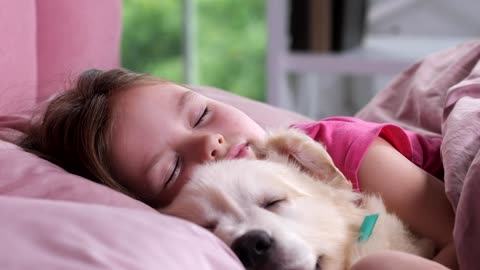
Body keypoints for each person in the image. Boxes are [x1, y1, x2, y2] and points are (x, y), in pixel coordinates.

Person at [20, 68, 457, 270]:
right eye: (172, 168)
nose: (208, 144)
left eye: (199, 115)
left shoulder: (337, 148)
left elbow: (464, 232)